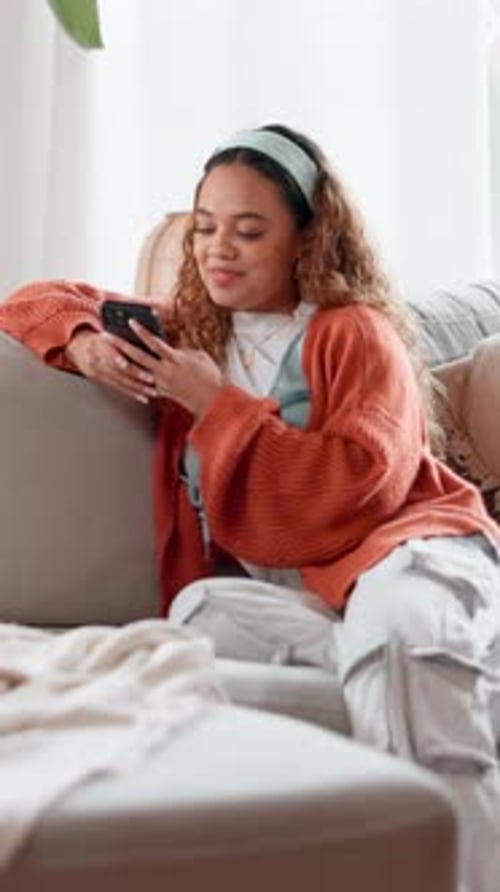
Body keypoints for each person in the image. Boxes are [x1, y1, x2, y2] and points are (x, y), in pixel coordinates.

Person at [1, 123, 499, 890]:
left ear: (307, 238)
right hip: (313, 599)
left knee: (405, 647)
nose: (218, 249)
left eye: (249, 230)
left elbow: (353, 491)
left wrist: (219, 405)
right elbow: (31, 301)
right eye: (205, 228)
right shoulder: (186, 336)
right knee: (196, 619)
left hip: (409, 554)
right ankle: (432, 664)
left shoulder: (355, 335)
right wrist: (83, 343)